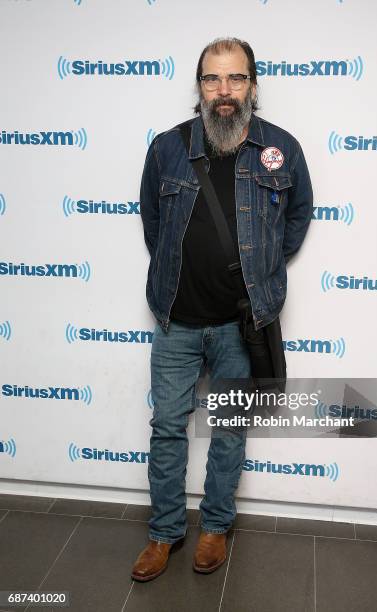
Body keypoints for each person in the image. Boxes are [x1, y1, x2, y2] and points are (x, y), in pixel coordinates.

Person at [131, 37, 313, 582]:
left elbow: (297, 218)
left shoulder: (281, 148)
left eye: (235, 79)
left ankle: (214, 526)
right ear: (200, 87)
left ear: (253, 85)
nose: (224, 91)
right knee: (167, 427)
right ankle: (164, 533)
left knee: (230, 430)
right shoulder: (167, 148)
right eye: (213, 79)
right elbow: (152, 222)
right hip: (177, 321)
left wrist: (260, 273)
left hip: (242, 324)